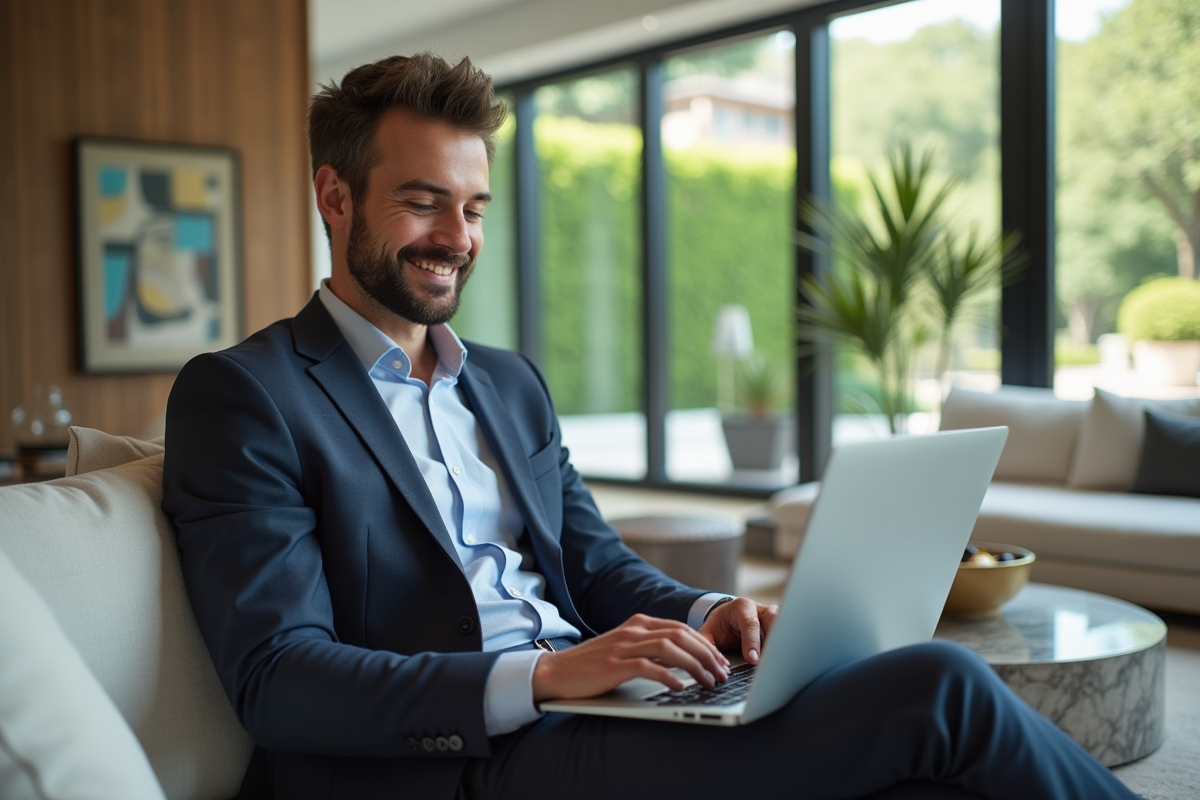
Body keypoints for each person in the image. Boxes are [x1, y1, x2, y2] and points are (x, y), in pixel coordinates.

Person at [161, 53, 1139, 800]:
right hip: (467, 759)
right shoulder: (247, 394)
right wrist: (543, 673)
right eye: (424, 203)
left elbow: (598, 570)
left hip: (602, 708)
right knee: (936, 682)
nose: (459, 238)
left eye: (474, 205)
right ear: (335, 196)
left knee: (920, 769)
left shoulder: (506, 383)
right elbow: (280, 674)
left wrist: (708, 610)